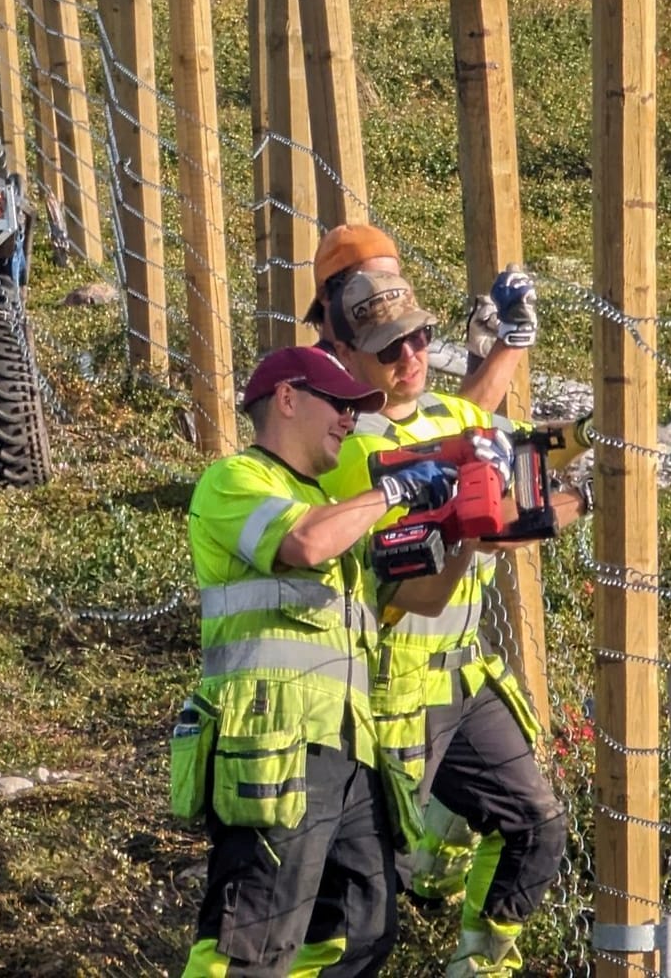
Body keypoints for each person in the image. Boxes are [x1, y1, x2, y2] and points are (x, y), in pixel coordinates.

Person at [316, 270, 589, 976]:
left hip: (460, 677)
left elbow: (519, 448)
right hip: (387, 693)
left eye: (418, 339)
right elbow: (441, 574)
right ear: (346, 354)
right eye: (387, 349)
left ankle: (479, 965)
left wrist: (595, 438)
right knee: (364, 904)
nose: (409, 358)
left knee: (535, 824)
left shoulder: (449, 414)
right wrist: (547, 511)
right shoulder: (354, 453)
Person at [180, 346, 476, 977]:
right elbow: (304, 541)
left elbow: (420, 599)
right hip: (274, 749)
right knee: (253, 941)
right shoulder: (236, 480)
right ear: (287, 399)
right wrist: (391, 489)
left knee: (360, 928)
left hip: (351, 749)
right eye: (339, 405)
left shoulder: (340, 512)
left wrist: (468, 527)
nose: (350, 420)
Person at [302, 224, 536, 414]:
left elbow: (444, 429)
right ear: (326, 296)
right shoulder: (318, 381)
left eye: (392, 279)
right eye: (370, 282)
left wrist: (479, 360)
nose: (388, 293)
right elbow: (438, 446)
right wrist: (512, 340)